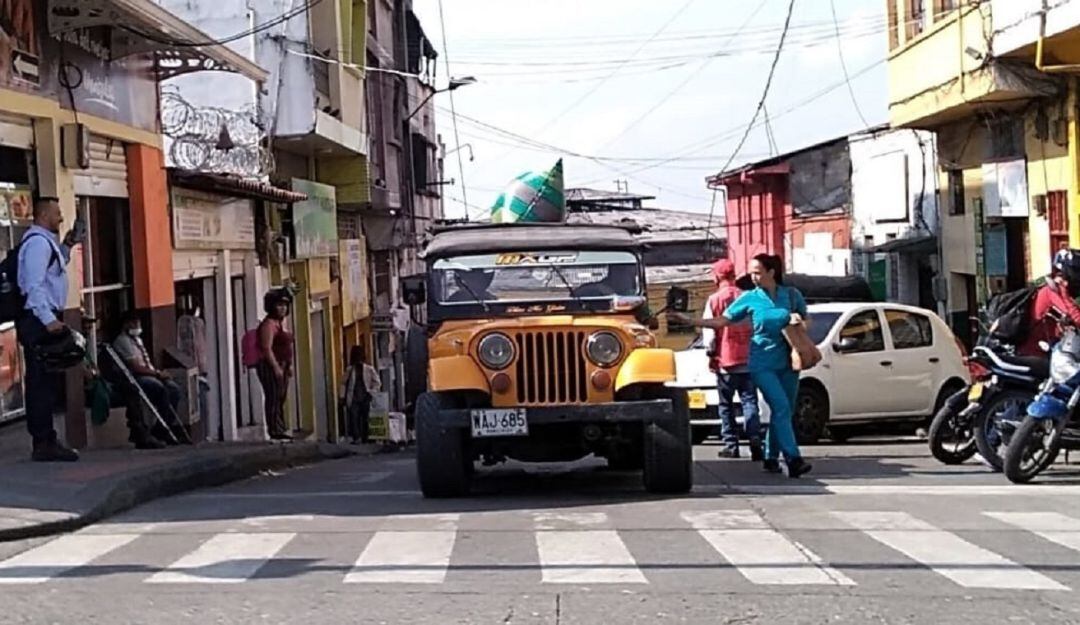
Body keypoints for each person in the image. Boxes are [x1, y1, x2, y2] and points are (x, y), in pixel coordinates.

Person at [670, 253, 813, 478]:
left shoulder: (791, 295)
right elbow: (721, 321)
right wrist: (690, 321)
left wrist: (798, 321)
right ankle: (793, 459)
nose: (753, 277)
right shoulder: (749, 298)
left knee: (783, 410)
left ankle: (770, 456)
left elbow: (806, 320)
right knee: (781, 407)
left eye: (757, 272)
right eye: (751, 273)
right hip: (760, 363)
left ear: (771, 272)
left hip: (788, 360)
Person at [16, 196, 82, 462]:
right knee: (40, 382)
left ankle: (47, 439)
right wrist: (48, 320)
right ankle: (43, 442)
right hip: (38, 319)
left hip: (43, 317)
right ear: (43, 215)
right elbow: (33, 286)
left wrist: (68, 244)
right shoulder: (36, 245)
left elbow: (52, 272)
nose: (60, 218)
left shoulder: (46, 244)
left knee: (48, 380)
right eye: (56, 214)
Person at [702, 259, 761, 460]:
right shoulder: (748, 297)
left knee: (726, 405)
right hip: (749, 360)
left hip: (726, 362)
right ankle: (755, 441)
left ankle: (731, 445)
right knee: (750, 401)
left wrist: (710, 355)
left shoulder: (714, 300)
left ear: (717, 277)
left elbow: (709, 334)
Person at [113, 312, 185, 446]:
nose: (137, 327)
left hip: (151, 373)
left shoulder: (137, 340)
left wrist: (158, 373)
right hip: (137, 377)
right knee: (160, 390)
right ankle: (161, 431)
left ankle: (164, 427)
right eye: (134, 324)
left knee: (174, 390)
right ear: (127, 324)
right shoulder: (122, 341)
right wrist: (157, 374)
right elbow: (135, 367)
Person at [1017, 248, 1080, 357]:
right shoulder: (1052, 291)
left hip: (1050, 351)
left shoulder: (1056, 289)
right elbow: (1076, 317)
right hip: (1035, 353)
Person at [256, 288, 295, 441]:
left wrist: (289, 366)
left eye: (285, 305)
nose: (282, 308)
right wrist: (276, 367)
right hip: (270, 366)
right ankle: (274, 430)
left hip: (283, 365)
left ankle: (280, 427)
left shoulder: (281, 323)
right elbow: (266, 348)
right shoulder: (268, 325)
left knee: (280, 398)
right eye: (279, 305)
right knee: (273, 397)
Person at [341, 345, 381, 444]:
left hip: (365, 397)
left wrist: (371, 392)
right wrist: (342, 396)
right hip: (354, 397)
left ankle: (366, 437)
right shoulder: (350, 370)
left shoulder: (369, 369)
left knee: (366, 418)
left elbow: (377, 383)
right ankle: (357, 438)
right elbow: (343, 383)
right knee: (354, 418)